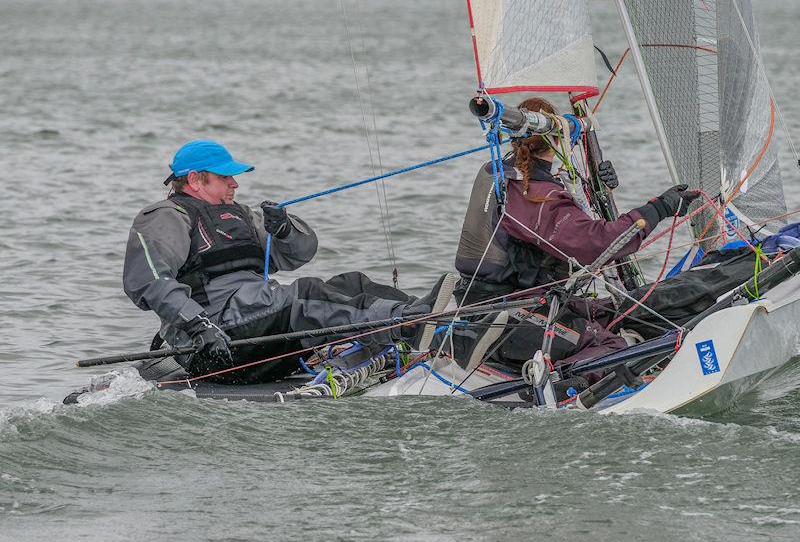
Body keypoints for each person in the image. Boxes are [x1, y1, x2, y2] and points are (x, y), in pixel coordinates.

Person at [123, 139, 455, 381]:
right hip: (217, 343)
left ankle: (439, 321)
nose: (235, 182)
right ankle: (409, 325)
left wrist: (284, 229)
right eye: (225, 177)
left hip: (256, 319)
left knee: (350, 284)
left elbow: (299, 254)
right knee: (307, 297)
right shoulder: (166, 216)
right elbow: (150, 282)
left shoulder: (242, 215)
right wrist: (200, 326)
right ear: (195, 179)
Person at [451, 97, 700, 387]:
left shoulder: (498, 173)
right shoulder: (534, 195)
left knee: (618, 312)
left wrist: (598, 186)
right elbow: (598, 243)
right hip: (509, 318)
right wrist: (660, 208)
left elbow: (563, 218)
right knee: (612, 348)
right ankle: (554, 386)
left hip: (492, 304)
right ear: (558, 139)